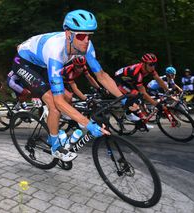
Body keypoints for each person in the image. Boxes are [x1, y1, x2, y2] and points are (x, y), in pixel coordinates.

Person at [12, 9, 127, 162]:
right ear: (68, 34)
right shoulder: (56, 51)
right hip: (25, 63)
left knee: (68, 96)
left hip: (42, 62)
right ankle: (55, 146)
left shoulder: (86, 45)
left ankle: (60, 123)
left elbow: (101, 75)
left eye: (90, 35)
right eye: (81, 36)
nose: (86, 40)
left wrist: (125, 98)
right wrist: (88, 124)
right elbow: (58, 101)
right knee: (54, 104)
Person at [114, 53, 169, 121]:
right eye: (151, 64)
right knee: (136, 94)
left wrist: (168, 90)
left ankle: (140, 115)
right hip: (119, 81)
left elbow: (158, 79)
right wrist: (156, 104)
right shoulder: (137, 73)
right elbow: (143, 93)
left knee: (141, 97)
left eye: (154, 64)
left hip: (129, 80)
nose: (153, 67)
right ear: (144, 64)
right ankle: (128, 114)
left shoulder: (150, 69)